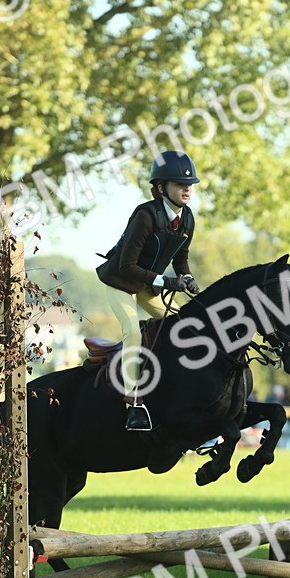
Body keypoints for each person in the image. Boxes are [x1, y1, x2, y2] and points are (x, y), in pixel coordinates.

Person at [96, 150, 202, 432]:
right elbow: (127, 265)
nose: (187, 188)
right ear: (160, 188)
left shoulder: (188, 218)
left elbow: (181, 258)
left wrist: (187, 277)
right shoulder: (145, 216)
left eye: (189, 184)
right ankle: (134, 403)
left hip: (146, 285)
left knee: (186, 324)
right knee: (131, 329)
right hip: (120, 281)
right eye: (180, 184)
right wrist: (168, 283)